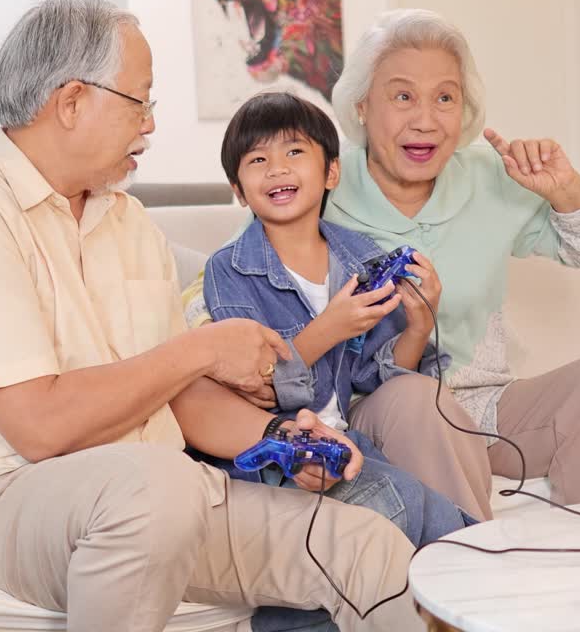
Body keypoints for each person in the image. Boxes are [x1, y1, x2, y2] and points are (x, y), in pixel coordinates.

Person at [0, 0, 418, 632]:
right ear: (70, 103)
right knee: (156, 488)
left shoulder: (129, 222)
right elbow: (38, 426)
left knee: (371, 546)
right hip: (7, 496)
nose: (148, 124)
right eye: (139, 101)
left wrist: (282, 439)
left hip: (160, 494)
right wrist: (202, 349)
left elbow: (179, 399)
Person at [187, 8, 580, 522]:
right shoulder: (316, 182)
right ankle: (470, 578)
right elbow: (230, 283)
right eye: (403, 96)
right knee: (415, 398)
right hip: (381, 405)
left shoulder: (493, 176)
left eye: (445, 98)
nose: (425, 119)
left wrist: (567, 192)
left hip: (486, 404)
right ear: (362, 107)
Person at [203, 92, 473, 632]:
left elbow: (378, 377)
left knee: (446, 519)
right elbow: (251, 390)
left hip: (345, 443)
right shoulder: (229, 270)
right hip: (270, 453)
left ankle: (481, 602)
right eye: (257, 161)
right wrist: (326, 330)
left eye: (294, 153)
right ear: (239, 190)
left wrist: (418, 325)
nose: (276, 169)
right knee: (395, 502)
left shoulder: (357, 255)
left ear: (330, 172)